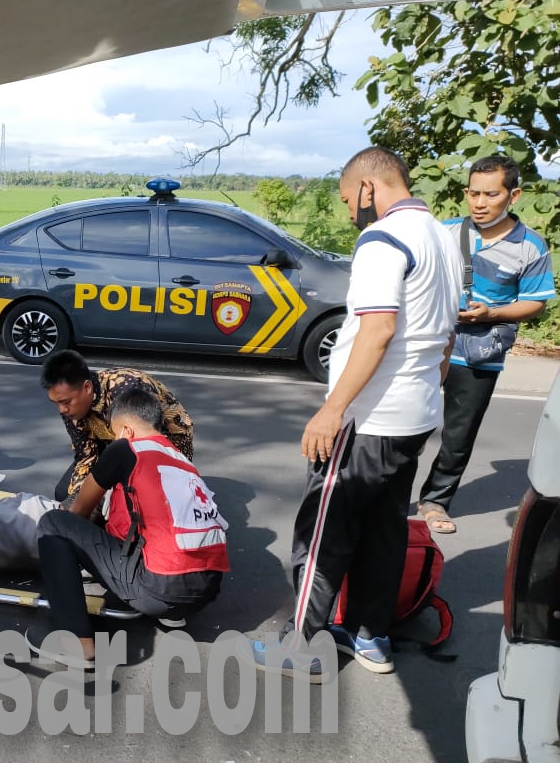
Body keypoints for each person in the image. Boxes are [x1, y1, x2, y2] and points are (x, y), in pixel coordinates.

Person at [247, 146, 462, 682]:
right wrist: (429, 377)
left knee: (324, 528)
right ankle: (372, 636)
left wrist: (333, 410)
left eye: (348, 199)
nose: (349, 212)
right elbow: (445, 330)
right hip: (413, 415)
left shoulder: (383, 239)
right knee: (384, 527)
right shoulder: (445, 237)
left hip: (368, 418)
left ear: (369, 187)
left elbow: (378, 329)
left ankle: (302, 647)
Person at [27, 388, 229, 668]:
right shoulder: (184, 463)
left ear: (125, 430)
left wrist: (67, 559)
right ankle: (171, 613)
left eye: (113, 432)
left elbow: (79, 512)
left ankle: (78, 644)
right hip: (206, 591)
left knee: (54, 524)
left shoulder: (125, 449)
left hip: (158, 589)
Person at [416, 155, 555, 534]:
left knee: (458, 435)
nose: (480, 203)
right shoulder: (442, 233)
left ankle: (435, 501)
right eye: (474, 193)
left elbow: (535, 302)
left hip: (479, 354)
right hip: (428, 345)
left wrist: (490, 314)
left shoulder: (530, 246)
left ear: (513, 195)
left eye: (491, 194)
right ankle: (389, 496)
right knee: (407, 423)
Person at [40, 349, 194, 503]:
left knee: (129, 500)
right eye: (56, 403)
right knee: (66, 495)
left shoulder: (127, 388)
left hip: (162, 442)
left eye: (66, 402)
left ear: (87, 388)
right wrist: (79, 500)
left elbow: (145, 448)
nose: (62, 410)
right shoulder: (70, 408)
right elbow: (86, 455)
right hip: (114, 440)